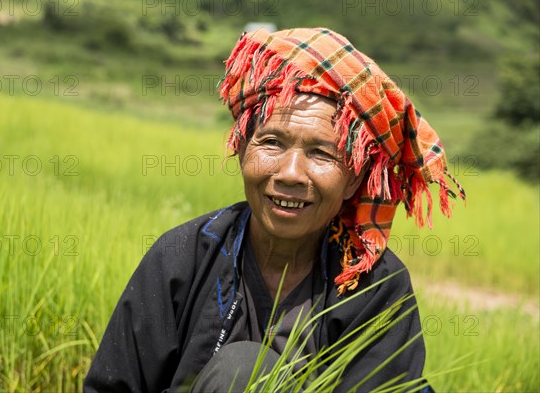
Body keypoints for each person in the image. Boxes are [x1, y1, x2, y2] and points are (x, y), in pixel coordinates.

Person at [84, 27, 465, 393]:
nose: (291, 174)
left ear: (353, 180)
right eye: (271, 142)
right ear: (242, 150)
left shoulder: (375, 288)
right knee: (242, 371)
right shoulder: (182, 258)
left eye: (321, 153)